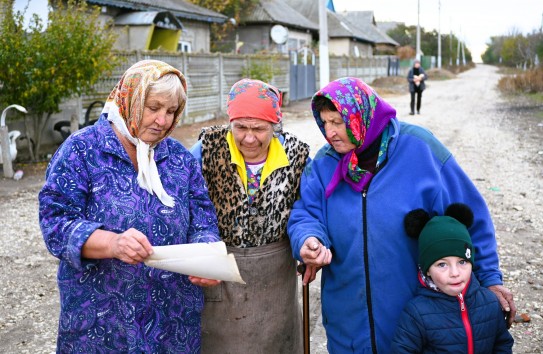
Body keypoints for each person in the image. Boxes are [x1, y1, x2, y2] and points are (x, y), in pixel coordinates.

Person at [287, 77, 516, 353]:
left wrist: (490, 278)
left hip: (415, 317)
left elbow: (470, 217)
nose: (330, 132)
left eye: (338, 122)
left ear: (363, 115)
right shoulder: (325, 163)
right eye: (324, 123)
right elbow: (306, 213)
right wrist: (308, 239)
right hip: (347, 320)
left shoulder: (420, 149)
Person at [38, 60, 221, 353]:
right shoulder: (83, 150)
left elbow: (203, 221)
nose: (163, 120)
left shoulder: (179, 159)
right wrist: (112, 243)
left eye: (171, 111)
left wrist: (206, 256)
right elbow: (55, 224)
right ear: (130, 99)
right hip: (103, 323)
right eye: (153, 107)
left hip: (172, 322)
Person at [190, 78, 311, 353]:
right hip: (221, 276)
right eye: (240, 127)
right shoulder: (206, 149)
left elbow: (309, 210)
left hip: (275, 280)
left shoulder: (298, 155)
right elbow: (184, 201)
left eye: (259, 128)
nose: (249, 137)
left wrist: (309, 241)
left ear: (275, 126)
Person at [391, 203, 514, 353]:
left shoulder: (489, 302)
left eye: (462, 262)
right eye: (442, 264)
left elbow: (502, 344)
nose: (455, 273)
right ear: (427, 270)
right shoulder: (416, 313)